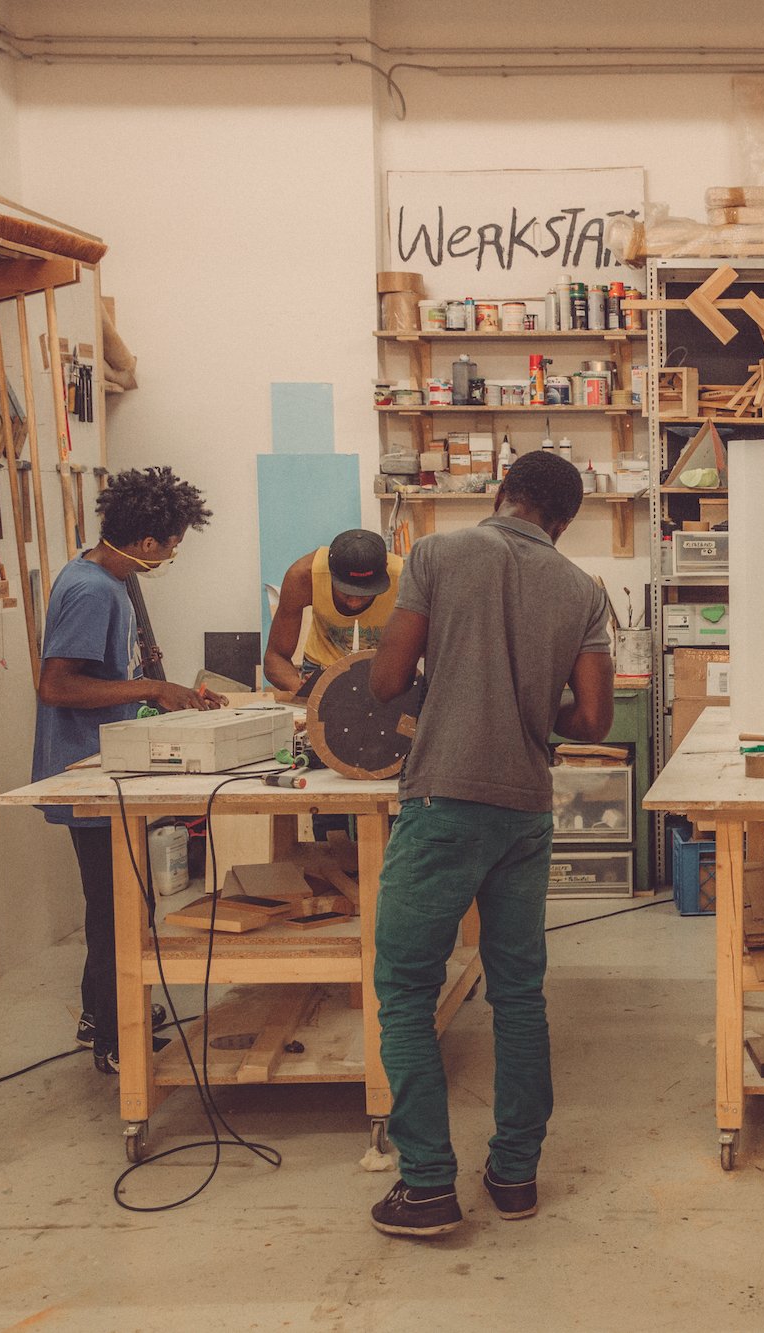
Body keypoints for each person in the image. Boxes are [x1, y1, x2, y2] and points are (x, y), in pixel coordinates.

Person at [364, 450, 615, 1239]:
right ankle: (514, 1174)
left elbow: (386, 678)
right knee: (518, 994)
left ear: (501, 493)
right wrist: (527, 703)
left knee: (407, 988)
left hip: (442, 799)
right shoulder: (583, 590)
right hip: (524, 811)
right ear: (564, 521)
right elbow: (594, 720)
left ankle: (428, 1184)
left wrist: (452, 682)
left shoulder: (439, 552)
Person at [31, 466, 221, 1074]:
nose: (170, 555)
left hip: (110, 768)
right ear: (147, 544)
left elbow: (115, 682)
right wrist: (153, 686)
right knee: (118, 909)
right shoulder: (92, 590)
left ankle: (99, 1014)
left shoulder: (110, 579)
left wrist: (166, 695)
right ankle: (118, 1038)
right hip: (87, 776)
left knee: (121, 902)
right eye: (171, 546)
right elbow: (57, 686)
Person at [261, 529, 401, 692]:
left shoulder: (404, 580)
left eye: (365, 594)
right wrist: (304, 691)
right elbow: (275, 658)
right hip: (320, 670)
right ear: (330, 573)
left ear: (385, 572)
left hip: (381, 673)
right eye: (346, 592)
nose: (354, 602)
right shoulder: (303, 576)